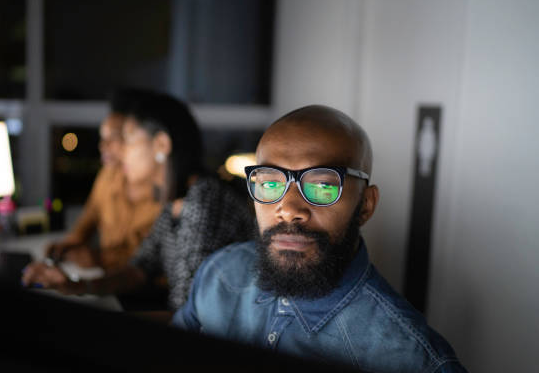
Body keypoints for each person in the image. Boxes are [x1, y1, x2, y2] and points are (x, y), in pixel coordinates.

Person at [172, 105, 467, 372]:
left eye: (322, 187)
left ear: (365, 205)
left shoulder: (410, 358)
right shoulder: (220, 275)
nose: (288, 210)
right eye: (270, 183)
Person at [22, 89, 257, 312]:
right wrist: (76, 286)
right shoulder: (175, 200)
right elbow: (139, 269)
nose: (123, 152)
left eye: (130, 140)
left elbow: (188, 316)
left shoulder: (203, 202)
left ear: (161, 145)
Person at [44, 106, 162, 271]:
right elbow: (88, 219)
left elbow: (150, 259)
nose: (102, 145)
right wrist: (68, 245)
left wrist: (99, 258)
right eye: (102, 138)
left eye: (114, 138)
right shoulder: (108, 175)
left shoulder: (162, 195)